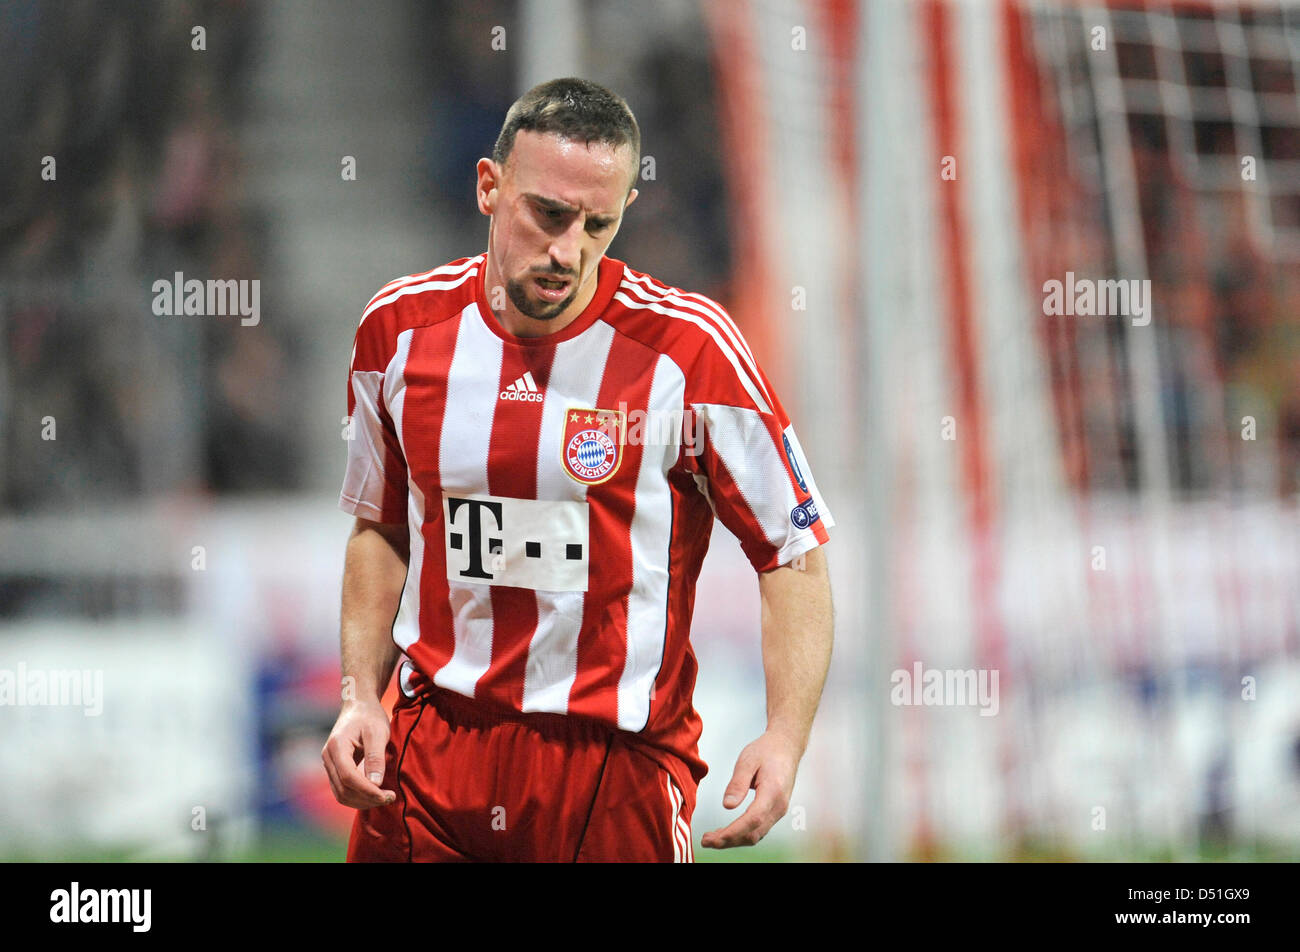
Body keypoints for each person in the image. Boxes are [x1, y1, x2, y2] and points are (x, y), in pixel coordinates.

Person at [322, 77, 834, 862]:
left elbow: (792, 552)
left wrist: (786, 736)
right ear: (490, 188)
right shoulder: (399, 331)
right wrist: (362, 696)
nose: (571, 251)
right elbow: (381, 526)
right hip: (433, 753)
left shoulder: (691, 353)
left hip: (615, 766)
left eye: (601, 223)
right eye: (550, 215)